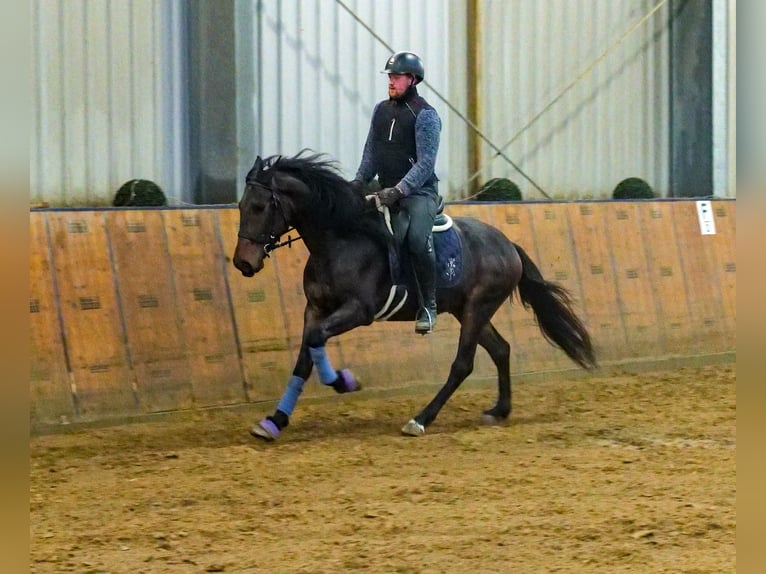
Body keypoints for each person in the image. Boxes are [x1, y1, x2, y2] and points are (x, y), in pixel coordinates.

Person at [354, 51, 442, 334]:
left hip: (419, 194)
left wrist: (400, 189)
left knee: (416, 239)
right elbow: (372, 152)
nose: (391, 81)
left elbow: (427, 162)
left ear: (412, 79)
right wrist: (359, 182)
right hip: (386, 190)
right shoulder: (381, 110)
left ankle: (428, 305)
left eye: (396, 77)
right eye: (389, 77)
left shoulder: (425, 115)